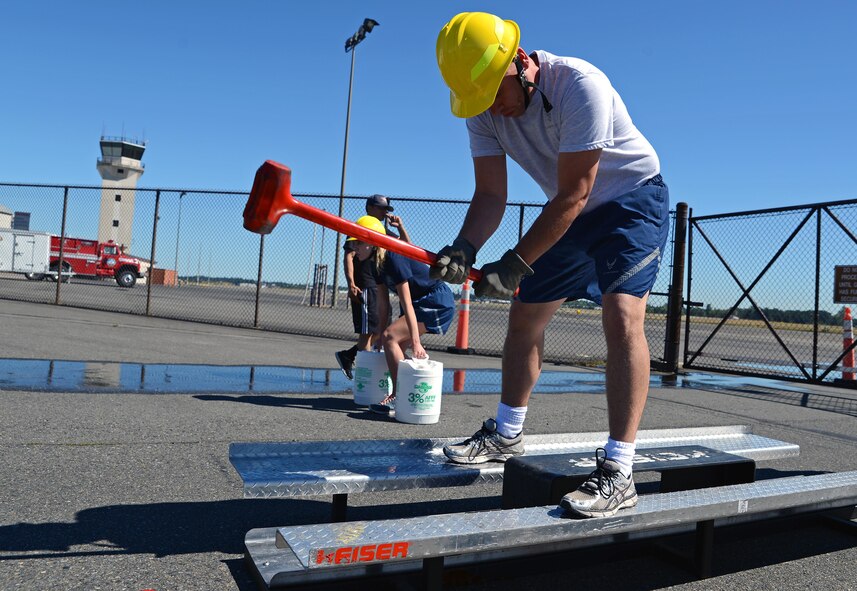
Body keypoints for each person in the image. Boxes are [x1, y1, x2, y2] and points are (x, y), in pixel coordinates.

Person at [433, 12, 670, 519]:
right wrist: (464, 247)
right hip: (567, 212)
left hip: (630, 202)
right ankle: (506, 434)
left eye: (497, 93)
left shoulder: (580, 84)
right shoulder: (482, 109)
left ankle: (618, 471)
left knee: (622, 315)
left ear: (519, 63)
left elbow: (575, 192)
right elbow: (491, 194)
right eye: (480, 100)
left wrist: (516, 263)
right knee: (525, 319)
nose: (494, 108)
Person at [346, 216, 455, 416]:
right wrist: (378, 334)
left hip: (435, 302)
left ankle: (399, 394)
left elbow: (406, 302)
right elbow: (383, 304)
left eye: (359, 243)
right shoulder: (373, 264)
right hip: (418, 302)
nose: (355, 249)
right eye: (353, 244)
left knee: (391, 338)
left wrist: (416, 342)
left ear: (372, 242)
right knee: (390, 344)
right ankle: (415, 389)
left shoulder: (393, 258)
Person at [335, 195, 411, 379]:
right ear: (369, 208)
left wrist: (400, 227)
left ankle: (350, 355)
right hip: (365, 285)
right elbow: (349, 256)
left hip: (380, 287)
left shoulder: (382, 231)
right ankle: (365, 377)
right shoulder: (360, 228)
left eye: (386, 209)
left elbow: (407, 247)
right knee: (367, 332)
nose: (384, 212)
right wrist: (351, 282)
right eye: (380, 208)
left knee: (382, 329)